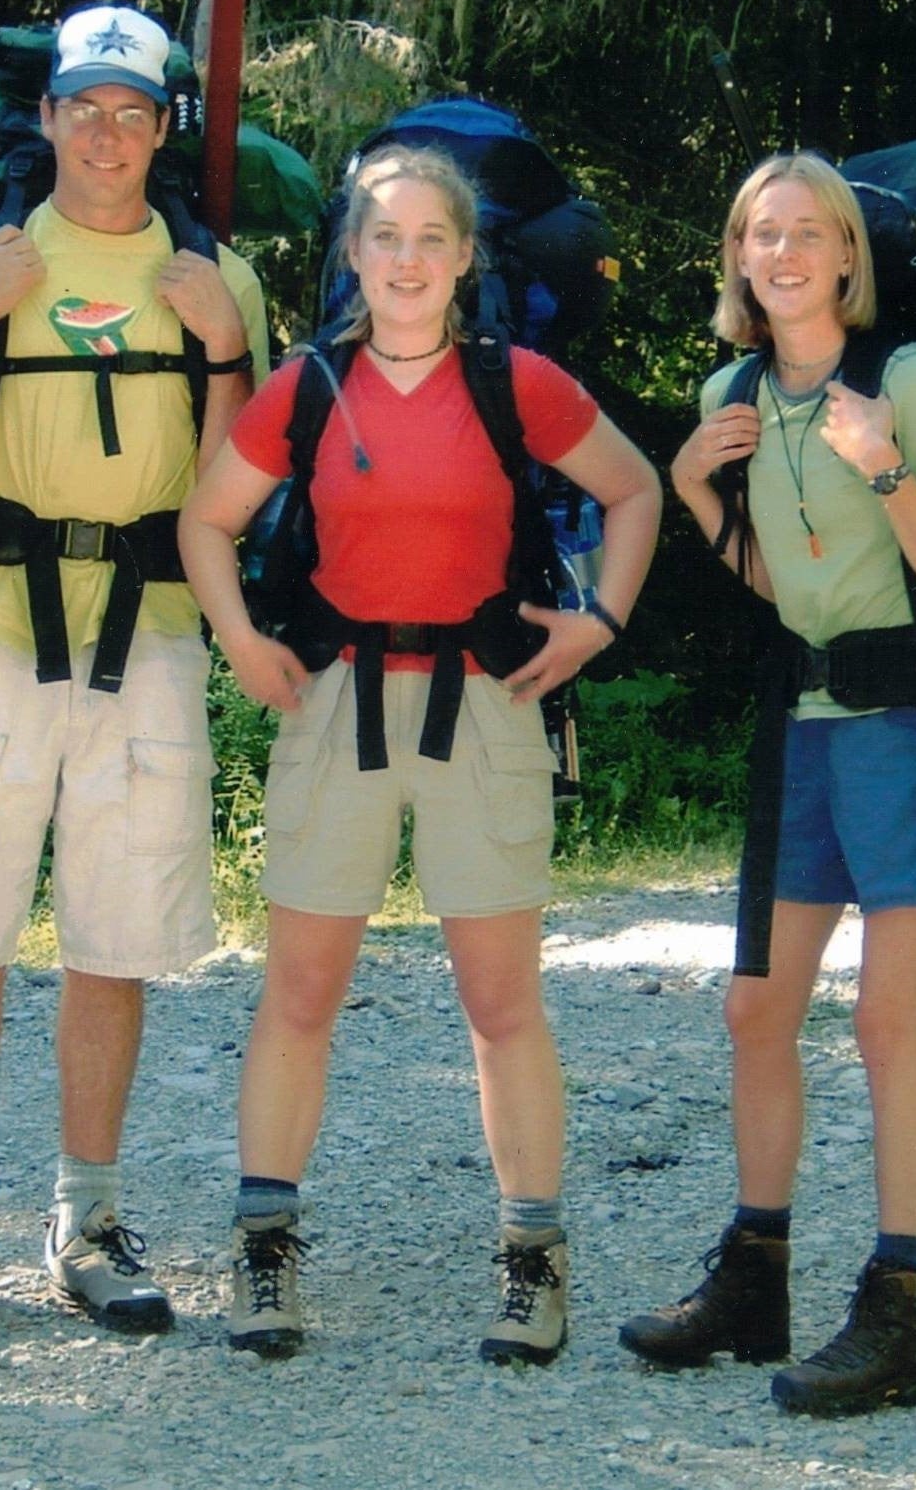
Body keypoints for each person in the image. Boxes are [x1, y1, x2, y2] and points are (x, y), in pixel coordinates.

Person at [180, 143, 661, 1364]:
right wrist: (238, 636)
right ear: (351, 252)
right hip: (338, 702)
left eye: (429, 239)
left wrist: (597, 624)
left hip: (485, 706)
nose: (405, 260)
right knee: (297, 995)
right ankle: (266, 1257)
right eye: (383, 236)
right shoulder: (307, 387)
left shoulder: (520, 385)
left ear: (463, 257)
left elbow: (635, 488)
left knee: (501, 1004)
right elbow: (205, 519)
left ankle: (531, 1264)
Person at [0, 3, 267, 1339]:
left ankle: (87, 1218)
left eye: (133, 112)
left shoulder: (216, 278)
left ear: (164, 128)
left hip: (147, 632)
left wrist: (219, 347)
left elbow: (232, 498)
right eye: (82, 108)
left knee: (114, 936)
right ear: (44, 119)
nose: (106, 135)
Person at [616, 152, 916, 1415]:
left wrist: (886, 467)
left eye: (805, 233)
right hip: (807, 725)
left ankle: (898, 1319)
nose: (779, 253)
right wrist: (685, 486)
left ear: (845, 256)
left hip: (910, 726)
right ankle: (756, 1277)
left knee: (886, 1025)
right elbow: (789, 589)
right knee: (755, 1011)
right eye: (756, 233)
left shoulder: (906, 380)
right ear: (735, 258)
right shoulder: (732, 391)